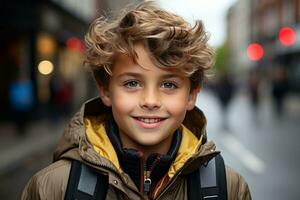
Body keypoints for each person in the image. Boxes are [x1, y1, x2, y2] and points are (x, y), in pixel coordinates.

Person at [22, 1, 251, 199]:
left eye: (169, 85)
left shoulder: (229, 188)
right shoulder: (52, 188)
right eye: (132, 83)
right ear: (106, 91)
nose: (150, 101)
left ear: (191, 95)